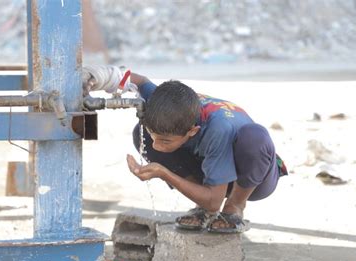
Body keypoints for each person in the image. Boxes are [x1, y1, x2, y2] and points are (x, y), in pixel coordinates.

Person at [83, 65, 287, 233]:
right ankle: (201, 206)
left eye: (165, 140)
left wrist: (165, 173)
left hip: (254, 178)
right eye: (156, 138)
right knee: (141, 133)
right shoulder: (162, 100)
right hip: (211, 164)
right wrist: (96, 77)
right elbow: (137, 80)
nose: (156, 146)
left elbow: (214, 202)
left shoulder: (218, 129)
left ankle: (235, 205)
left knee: (254, 138)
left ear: (192, 131)